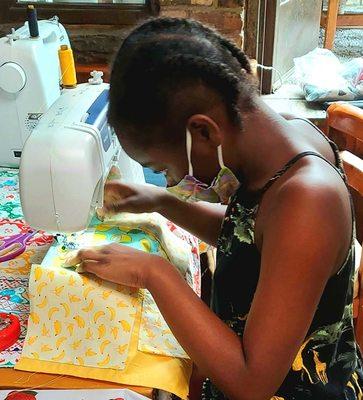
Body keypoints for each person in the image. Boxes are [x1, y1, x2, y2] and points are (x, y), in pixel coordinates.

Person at [74, 18, 363, 399]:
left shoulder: (308, 203)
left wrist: (153, 273)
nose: (173, 179)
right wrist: (162, 202)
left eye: (164, 169)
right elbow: (248, 237)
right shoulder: (282, 143)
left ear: (205, 132)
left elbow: (250, 383)